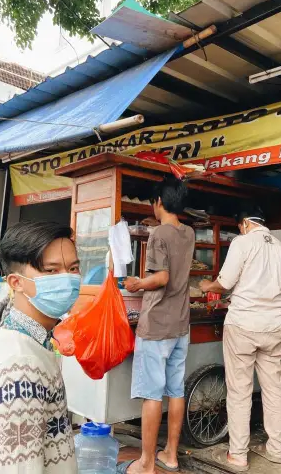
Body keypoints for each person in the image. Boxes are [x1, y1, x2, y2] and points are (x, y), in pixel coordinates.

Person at [0, 221, 81, 473]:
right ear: (16, 282)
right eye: (51, 271)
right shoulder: (20, 368)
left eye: (73, 268)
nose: (67, 279)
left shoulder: (29, 343)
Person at [200, 205, 281, 472]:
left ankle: (238, 455)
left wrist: (207, 285)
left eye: (239, 226)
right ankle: (276, 449)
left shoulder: (242, 242)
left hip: (243, 325)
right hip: (274, 325)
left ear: (245, 224)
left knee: (240, 391)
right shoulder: (280, 248)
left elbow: (224, 282)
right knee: (274, 389)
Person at [119, 176, 195, 474]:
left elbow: (161, 278)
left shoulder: (158, 234)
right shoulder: (188, 232)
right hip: (181, 325)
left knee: (152, 394)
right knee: (175, 390)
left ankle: (147, 463)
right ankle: (171, 455)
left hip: (157, 326)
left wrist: (137, 283)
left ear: (159, 202)